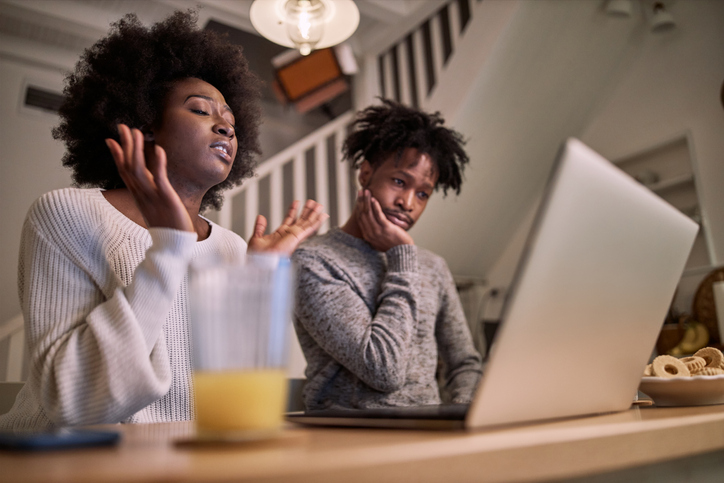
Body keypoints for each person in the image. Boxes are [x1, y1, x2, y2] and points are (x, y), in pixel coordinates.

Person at [0, 11, 326, 430]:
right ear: (146, 124)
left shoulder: (230, 248)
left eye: (229, 120)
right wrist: (169, 247)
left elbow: (229, 401)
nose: (226, 128)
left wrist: (257, 278)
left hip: (188, 463)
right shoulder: (67, 214)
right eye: (201, 111)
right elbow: (74, 404)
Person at [293, 99, 482, 410]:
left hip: (428, 434)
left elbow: (465, 362)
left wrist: (461, 411)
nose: (408, 202)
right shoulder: (313, 261)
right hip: (349, 437)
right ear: (365, 173)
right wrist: (402, 257)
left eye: (423, 193)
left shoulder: (433, 266)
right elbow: (383, 370)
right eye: (399, 182)